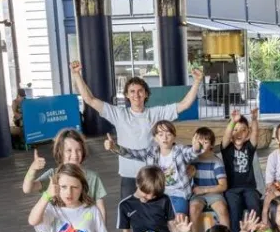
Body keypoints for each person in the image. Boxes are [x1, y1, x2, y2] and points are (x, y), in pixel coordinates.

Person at [70, 60, 203, 203]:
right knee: (128, 215)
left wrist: (197, 82)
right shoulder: (119, 114)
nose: (136, 95)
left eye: (140, 91)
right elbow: (89, 99)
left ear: (146, 94)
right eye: (132, 91)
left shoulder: (156, 113)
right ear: (126, 95)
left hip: (152, 174)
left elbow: (184, 105)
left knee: (154, 215)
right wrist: (76, 74)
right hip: (128, 175)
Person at [107, 120, 200, 215]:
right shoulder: (151, 153)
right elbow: (132, 153)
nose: (165, 137)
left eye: (168, 134)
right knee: (151, 217)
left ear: (174, 137)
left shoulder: (179, 151)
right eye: (160, 134)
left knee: (180, 218)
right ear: (155, 138)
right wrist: (115, 147)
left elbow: (190, 153)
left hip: (178, 194)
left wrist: (195, 149)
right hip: (156, 194)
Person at [22, 129, 108, 222]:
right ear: (60, 152)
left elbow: (101, 209)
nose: (74, 154)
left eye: (78, 150)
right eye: (69, 150)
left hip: (87, 231)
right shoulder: (53, 175)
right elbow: (27, 189)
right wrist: (33, 169)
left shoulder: (93, 177)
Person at [117, 166, 184, 232]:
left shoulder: (164, 199)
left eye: (154, 195)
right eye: (146, 193)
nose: (149, 197)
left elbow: (173, 227)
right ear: (137, 183)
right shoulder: (125, 205)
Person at [221, 108, 262, 232]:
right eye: (235, 129)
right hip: (232, 189)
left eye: (243, 130)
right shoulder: (227, 148)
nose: (238, 133)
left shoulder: (249, 147)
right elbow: (226, 136)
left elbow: (256, 133)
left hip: (249, 188)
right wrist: (233, 121)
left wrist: (254, 120)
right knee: (234, 211)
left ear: (247, 134)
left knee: (254, 206)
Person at [188, 127, 231, 232]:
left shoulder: (216, 162)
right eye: (199, 141)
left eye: (205, 142)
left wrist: (204, 190)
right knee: (193, 209)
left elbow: (223, 186)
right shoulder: (193, 160)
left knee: (222, 209)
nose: (201, 144)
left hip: (214, 193)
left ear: (212, 145)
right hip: (198, 194)